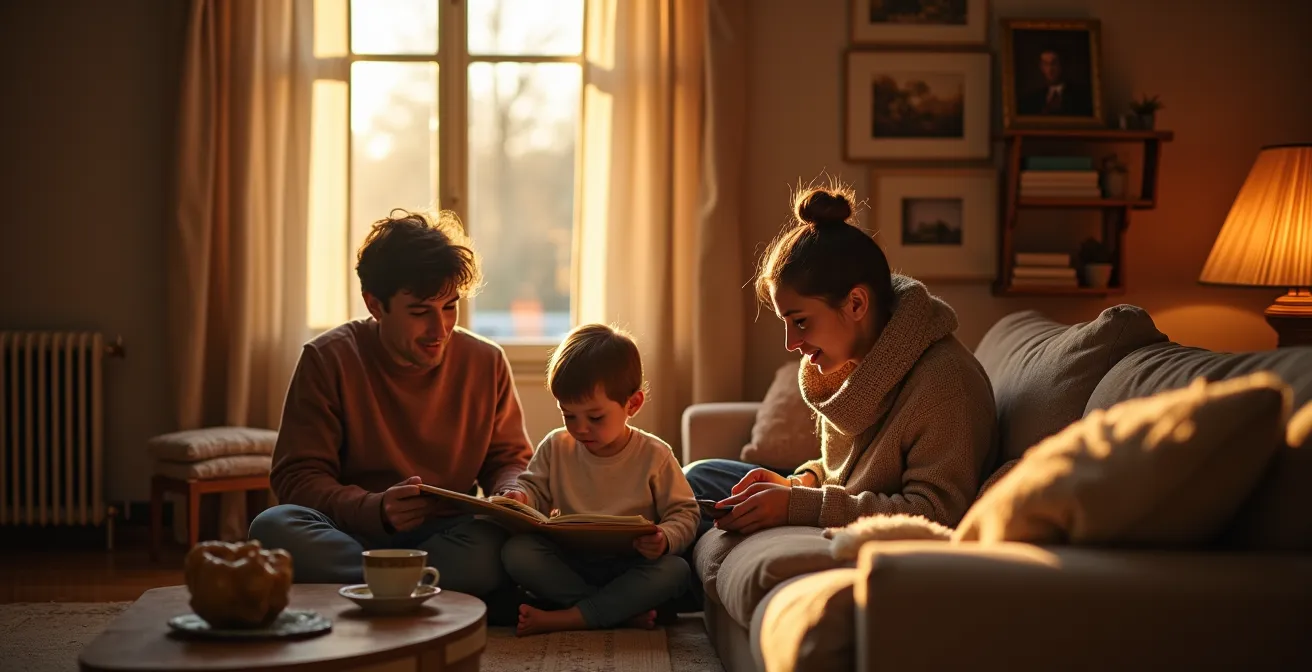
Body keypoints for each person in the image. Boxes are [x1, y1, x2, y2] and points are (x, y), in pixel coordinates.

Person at [248, 209, 533, 608]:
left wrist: (512, 491)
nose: (440, 331)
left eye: (449, 307)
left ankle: (370, 589)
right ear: (375, 304)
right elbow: (297, 478)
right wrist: (375, 508)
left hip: (446, 535)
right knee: (273, 527)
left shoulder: (486, 361)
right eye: (420, 312)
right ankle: (431, 589)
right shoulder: (327, 359)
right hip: (354, 533)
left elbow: (510, 459)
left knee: (495, 542)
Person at [683, 183, 998, 542]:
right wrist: (802, 481)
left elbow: (937, 513)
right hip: (835, 500)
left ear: (856, 304)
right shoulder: (857, 357)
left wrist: (797, 505)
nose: (791, 343)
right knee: (696, 478)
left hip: (864, 521)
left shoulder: (946, 384)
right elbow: (844, 475)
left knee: (690, 505)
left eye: (800, 321)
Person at [499, 324, 699, 637]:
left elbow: (685, 513)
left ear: (632, 404)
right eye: (568, 415)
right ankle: (616, 611)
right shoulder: (556, 445)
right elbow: (533, 488)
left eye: (595, 417)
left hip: (630, 566)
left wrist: (664, 536)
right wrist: (519, 497)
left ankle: (569, 617)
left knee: (676, 571)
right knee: (517, 551)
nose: (580, 428)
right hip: (573, 563)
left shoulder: (655, 455)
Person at [1017, 46, 1092, 116]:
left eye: (1054, 64)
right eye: (1045, 64)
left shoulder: (1080, 97)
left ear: (1062, 65)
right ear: (1041, 67)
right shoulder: (1031, 100)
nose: (1050, 69)